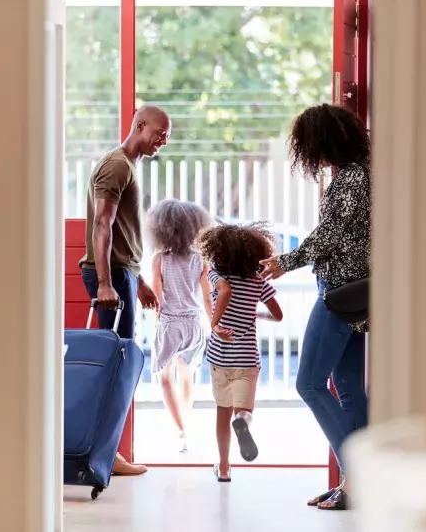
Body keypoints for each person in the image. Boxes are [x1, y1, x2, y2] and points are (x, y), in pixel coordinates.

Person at [260, 103, 371, 510]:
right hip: (353, 292)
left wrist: (284, 262)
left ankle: (360, 473)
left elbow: (331, 235)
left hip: (341, 294)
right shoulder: (360, 172)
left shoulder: (354, 178)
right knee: (346, 387)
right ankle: (357, 483)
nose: (310, 155)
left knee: (308, 383)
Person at [79, 105, 171, 476]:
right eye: (159, 134)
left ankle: (105, 453)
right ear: (140, 126)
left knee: (121, 365)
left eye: (166, 137)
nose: (162, 142)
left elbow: (124, 234)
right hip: (111, 278)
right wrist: (105, 283)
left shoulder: (131, 166)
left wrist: (140, 281)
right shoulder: (117, 165)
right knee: (113, 369)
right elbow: (103, 225)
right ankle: (102, 456)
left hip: (123, 276)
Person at [195, 222, 283, 482]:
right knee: (243, 411)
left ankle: (223, 468)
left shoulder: (216, 273)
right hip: (247, 359)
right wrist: (256, 313)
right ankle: (243, 422)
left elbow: (224, 291)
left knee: (222, 411)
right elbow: (278, 315)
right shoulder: (258, 281)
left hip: (220, 358)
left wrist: (215, 324)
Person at [144, 199, 214, 454]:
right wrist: (214, 323)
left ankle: (180, 430)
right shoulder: (201, 260)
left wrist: (155, 326)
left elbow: (156, 299)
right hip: (194, 323)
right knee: (188, 377)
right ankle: (187, 427)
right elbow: (207, 297)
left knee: (165, 379)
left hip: (169, 323)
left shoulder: (159, 260)